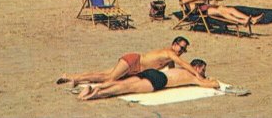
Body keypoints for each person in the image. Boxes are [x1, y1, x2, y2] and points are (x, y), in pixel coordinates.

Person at [56, 37, 206, 87]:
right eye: (181, 47)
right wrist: (196, 75)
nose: (181, 51)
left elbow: (173, 71)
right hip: (133, 60)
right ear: (174, 44)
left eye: (184, 50)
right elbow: (184, 64)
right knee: (110, 78)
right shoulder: (169, 52)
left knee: (104, 74)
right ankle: (76, 79)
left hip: (136, 68)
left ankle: (71, 76)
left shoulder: (169, 58)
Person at [78, 58, 220, 101]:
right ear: (197, 67)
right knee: (127, 89)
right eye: (203, 69)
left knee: (122, 82)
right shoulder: (193, 75)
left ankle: (98, 86)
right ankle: (95, 94)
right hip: (160, 79)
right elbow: (210, 84)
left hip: (152, 72)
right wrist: (212, 80)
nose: (204, 72)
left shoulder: (181, 69)